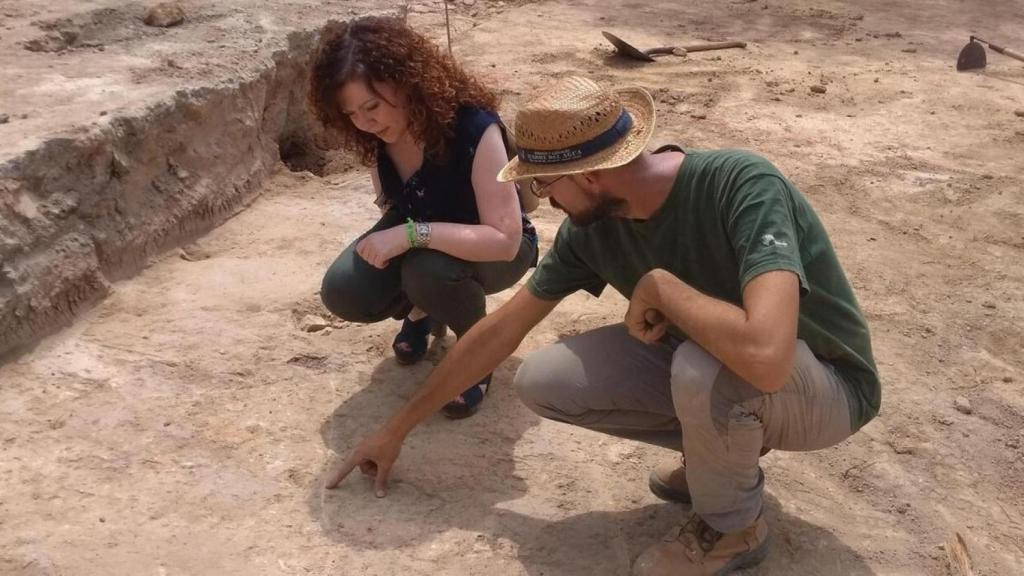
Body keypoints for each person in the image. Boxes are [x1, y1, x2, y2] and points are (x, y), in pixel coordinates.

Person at [327, 76, 881, 576]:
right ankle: (721, 459)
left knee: (701, 366)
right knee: (545, 380)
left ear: (588, 176)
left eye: (544, 187)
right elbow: (502, 333)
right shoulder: (593, 230)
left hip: (826, 387)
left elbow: (766, 356)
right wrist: (396, 429)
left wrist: (661, 288)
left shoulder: (740, 184)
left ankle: (732, 528)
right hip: (732, 372)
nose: (543, 203)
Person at [308, 16, 538, 419]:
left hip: (493, 250)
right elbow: (390, 204)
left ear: (406, 81)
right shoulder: (376, 135)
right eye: (351, 114)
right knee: (344, 289)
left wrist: (412, 236)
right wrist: (401, 236)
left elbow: (505, 240)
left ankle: (475, 352)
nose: (365, 122)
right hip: (423, 240)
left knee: (428, 271)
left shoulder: (473, 128)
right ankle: (422, 309)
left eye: (372, 106)